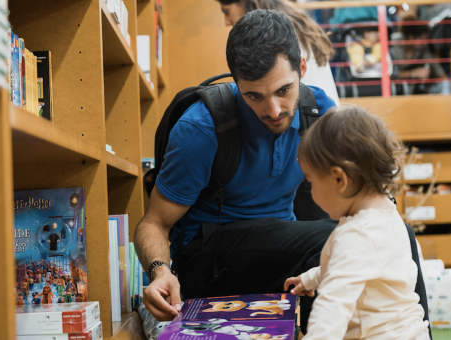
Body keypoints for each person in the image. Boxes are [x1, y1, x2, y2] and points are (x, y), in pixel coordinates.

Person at [134, 9, 338, 329]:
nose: (273, 110)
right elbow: (153, 223)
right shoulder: (201, 128)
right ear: (236, 83)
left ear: (301, 69)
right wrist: (161, 270)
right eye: (254, 96)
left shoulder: (319, 112)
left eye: (283, 90)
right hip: (209, 263)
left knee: (387, 234)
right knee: (334, 240)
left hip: (278, 253)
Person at [284, 106, 429, 340]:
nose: (310, 193)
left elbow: (330, 313)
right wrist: (309, 278)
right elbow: (353, 267)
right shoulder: (388, 216)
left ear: (340, 179)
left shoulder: (355, 236)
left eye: (311, 182)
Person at [217, 0, 340, 105]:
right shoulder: (298, 24)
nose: (227, 21)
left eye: (226, 11)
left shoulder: (275, 38)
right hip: (328, 114)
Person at [392, 13, 446, 95]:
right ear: (411, 37)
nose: (425, 43)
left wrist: (447, 83)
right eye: (423, 39)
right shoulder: (394, 43)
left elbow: (435, 66)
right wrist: (413, 73)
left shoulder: (421, 48)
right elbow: (389, 74)